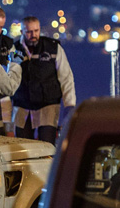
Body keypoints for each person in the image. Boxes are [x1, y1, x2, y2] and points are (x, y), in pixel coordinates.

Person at [11, 16, 76, 144]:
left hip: (48, 104)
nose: (33, 35)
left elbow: (66, 77)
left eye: (36, 31)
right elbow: (9, 78)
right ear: (22, 32)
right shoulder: (14, 49)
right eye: (29, 32)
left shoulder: (53, 48)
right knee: (22, 146)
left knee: (48, 144)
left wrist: (69, 104)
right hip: (22, 105)